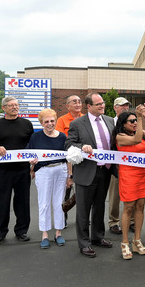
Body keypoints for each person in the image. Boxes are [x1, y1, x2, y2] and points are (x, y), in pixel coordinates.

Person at [65, 92, 115, 258]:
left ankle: (98, 237)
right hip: (86, 172)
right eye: (98, 104)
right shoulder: (78, 123)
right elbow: (69, 144)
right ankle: (84, 243)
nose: (102, 106)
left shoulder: (109, 121)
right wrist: (82, 146)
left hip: (105, 171)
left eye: (102, 103)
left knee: (99, 206)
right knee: (83, 210)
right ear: (89, 106)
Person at [0, 97, 34, 245]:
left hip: (22, 169)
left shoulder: (26, 124)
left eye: (16, 105)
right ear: (3, 108)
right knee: (1, 202)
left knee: (23, 202)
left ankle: (22, 231)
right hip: (2, 171)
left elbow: (33, 146)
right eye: (11, 105)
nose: (15, 107)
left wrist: (33, 164)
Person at [28, 108, 72, 249]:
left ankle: (58, 233)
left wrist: (69, 176)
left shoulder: (62, 137)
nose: (49, 124)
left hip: (60, 170)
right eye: (46, 121)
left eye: (52, 121)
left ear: (56, 121)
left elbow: (68, 158)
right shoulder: (35, 137)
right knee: (44, 203)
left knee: (59, 202)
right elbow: (30, 155)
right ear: (41, 123)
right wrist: (32, 165)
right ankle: (45, 234)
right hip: (44, 172)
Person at [115, 106, 145, 260]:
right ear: (123, 124)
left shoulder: (135, 131)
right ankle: (125, 242)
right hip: (128, 175)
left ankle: (136, 240)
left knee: (141, 206)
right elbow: (137, 140)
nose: (133, 123)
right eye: (130, 121)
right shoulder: (120, 136)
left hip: (142, 174)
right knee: (129, 208)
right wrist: (138, 118)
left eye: (134, 120)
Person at [55, 94, 83, 228]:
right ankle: (63, 218)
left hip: (84, 160)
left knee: (83, 193)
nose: (78, 104)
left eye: (79, 101)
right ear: (67, 106)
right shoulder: (62, 120)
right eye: (74, 102)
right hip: (68, 159)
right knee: (66, 191)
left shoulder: (86, 118)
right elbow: (62, 140)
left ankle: (82, 218)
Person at [108, 97, 131, 235]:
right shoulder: (109, 123)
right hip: (115, 164)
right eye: (122, 106)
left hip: (131, 165)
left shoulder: (132, 122)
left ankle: (132, 221)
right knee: (115, 195)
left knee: (132, 195)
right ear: (115, 107)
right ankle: (114, 222)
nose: (125, 108)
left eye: (127, 105)